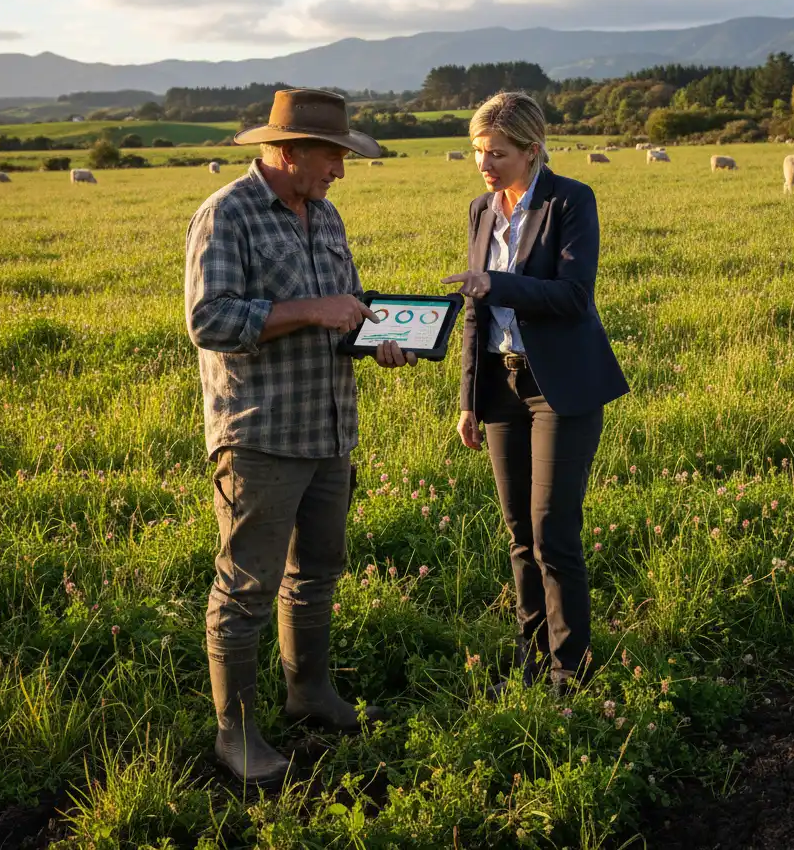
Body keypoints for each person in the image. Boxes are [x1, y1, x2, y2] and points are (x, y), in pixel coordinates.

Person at [185, 88, 416, 787]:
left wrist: (375, 336)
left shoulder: (324, 215)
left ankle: (309, 693)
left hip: (328, 426)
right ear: (287, 152)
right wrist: (312, 309)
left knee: (317, 573)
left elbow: (338, 310)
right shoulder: (226, 215)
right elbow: (210, 320)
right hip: (261, 436)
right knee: (248, 586)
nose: (340, 171)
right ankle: (238, 734)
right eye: (331, 157)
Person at [442, 91, 629, 695]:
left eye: (496, 152)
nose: (484, 163)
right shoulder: (480, 210)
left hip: (560, 388)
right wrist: (468, 397)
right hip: (500, 386)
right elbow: (476, 312)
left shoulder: (571, 200)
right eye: (477, 151)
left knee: (553, 532)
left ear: (531, 149)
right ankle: (532, 662)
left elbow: (575, 295)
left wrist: (496, 281)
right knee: (520, 534)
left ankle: (570, 673)